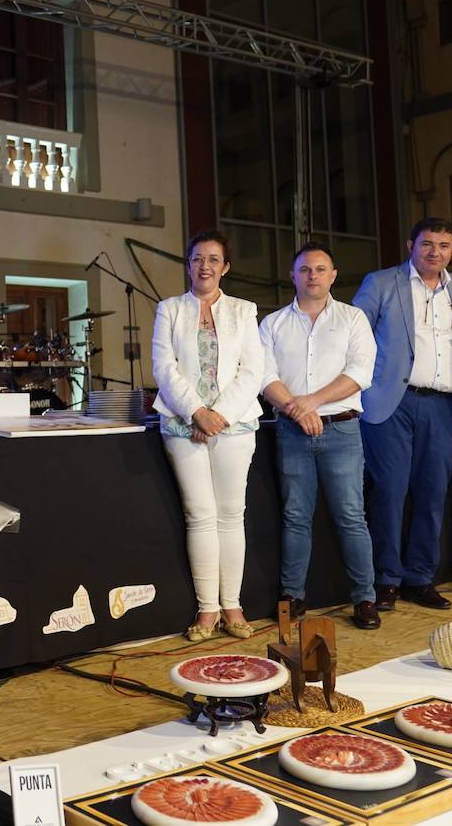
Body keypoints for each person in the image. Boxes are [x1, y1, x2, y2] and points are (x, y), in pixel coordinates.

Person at [259, 242, 380, 630]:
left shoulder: (353, 319)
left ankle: (365, 598)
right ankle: (292, 597)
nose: (313, 275)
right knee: (295, 516)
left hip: (342, 428)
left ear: (333, 275)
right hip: (292, 432)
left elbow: (361, 372)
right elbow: (264, 377)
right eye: (305, 269)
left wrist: (309, 402)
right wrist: (298, 410)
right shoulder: (272, 323)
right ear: (293, 276)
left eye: (320, 269)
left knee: (350, 516)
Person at [151, 230, 263, 642]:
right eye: (198, 258)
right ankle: (206, 610)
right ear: (188, 264)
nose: (205, 266)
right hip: (183, 423)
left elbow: (252, 370)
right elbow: (164, 368)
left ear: (225, 267)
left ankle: (232, 606)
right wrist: (197, 412)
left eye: (213, 259)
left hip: (234, 423)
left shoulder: (244, 310)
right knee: (199, 515)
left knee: (232, 515)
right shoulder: (170, 309)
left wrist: (219, 414)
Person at [353, 218, 452, 612]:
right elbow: (355, 334)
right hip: (391, 403)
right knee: (389, 492)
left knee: (433, 493)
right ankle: (386, 579)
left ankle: (420, 578)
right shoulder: (381, 283)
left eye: (444, 244)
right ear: (410, 245)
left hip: (441, 404)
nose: (435, 251)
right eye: (427, 243)